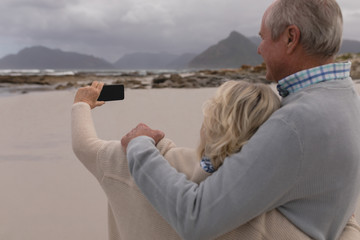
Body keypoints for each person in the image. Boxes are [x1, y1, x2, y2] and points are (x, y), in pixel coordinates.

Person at [121, 0, 360, 239]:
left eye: (263, 37)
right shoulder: (347, 97)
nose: (259, 49)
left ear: (290, 38)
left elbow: (195, 216)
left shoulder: (295, 123)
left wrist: (139, 147)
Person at [73, 81, 359, 240]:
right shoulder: (273, 218)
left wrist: (82, 103)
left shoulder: (125, 163)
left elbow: (83, 144)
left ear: (210, 123)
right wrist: (348, 216)